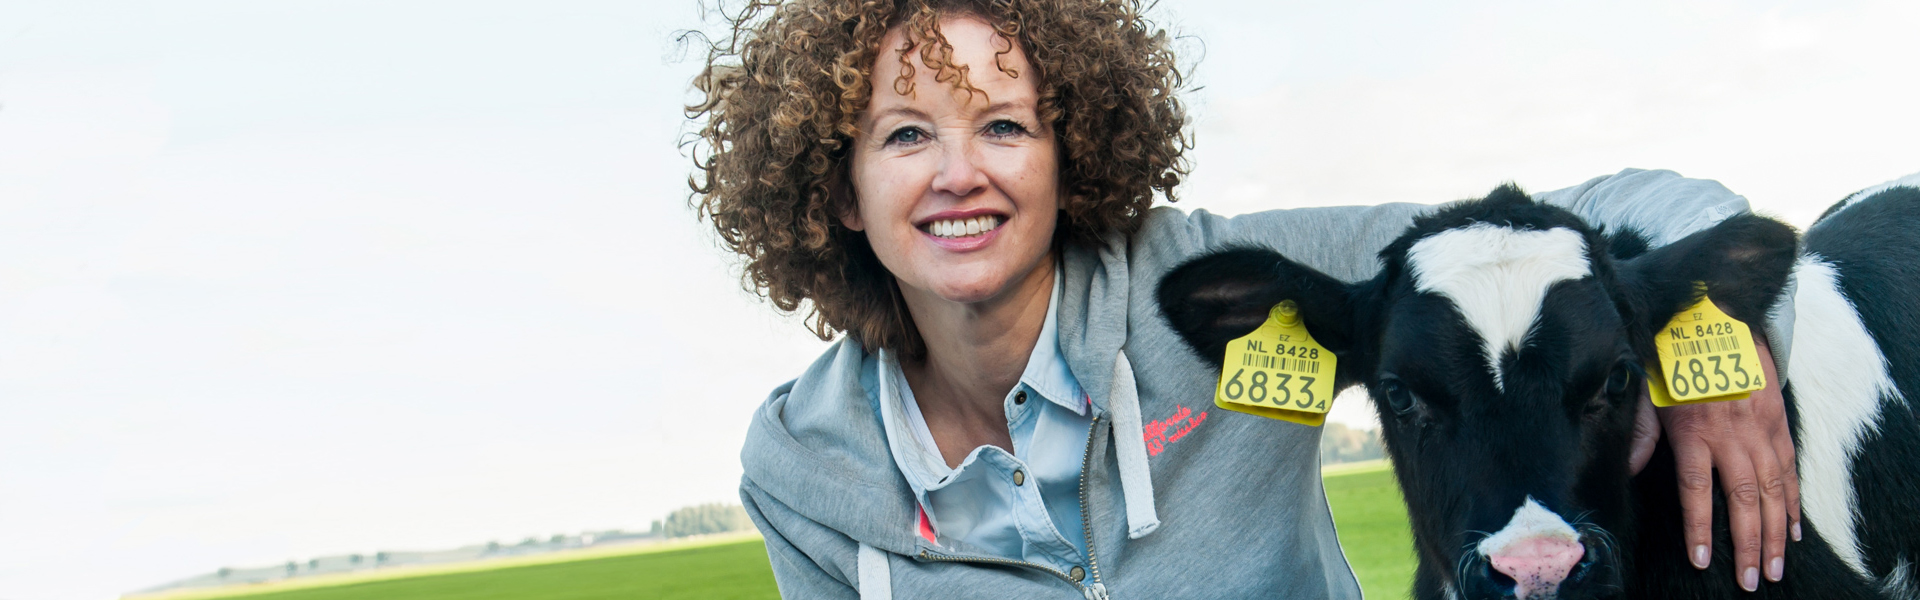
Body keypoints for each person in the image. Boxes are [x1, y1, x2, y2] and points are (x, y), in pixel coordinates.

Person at [686, 0, 1800, 597]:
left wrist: (1711, 353)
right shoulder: (801, 471)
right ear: (835, 188)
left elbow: (1622, 203)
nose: (959, 173)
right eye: (906, 134)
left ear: (1071, 155)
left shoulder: (1208, 272)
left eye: (1007, 124)